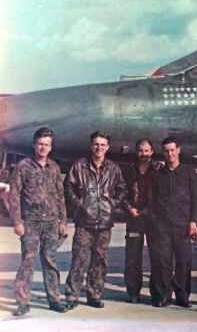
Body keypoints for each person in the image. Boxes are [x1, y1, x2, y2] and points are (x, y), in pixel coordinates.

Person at [65, 130, 127, 310]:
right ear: (91, 146)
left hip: (104, 224)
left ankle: (94, 294)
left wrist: (112, 205)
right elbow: (68, 188)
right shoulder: (80, 166)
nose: (99, 148)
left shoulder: (113, 168)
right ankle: (72, 295)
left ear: (107, 148)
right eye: (96, 144)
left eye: (102, 145)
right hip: (84, 223)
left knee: (99, 261)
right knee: (79, 260)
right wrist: (80, 206)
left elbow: (122, 189)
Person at [8, 127, 67, 316]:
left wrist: (63, 220)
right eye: (40, 144)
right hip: (31, 222)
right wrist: (17, 221)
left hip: (50, 222)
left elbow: (60, 195)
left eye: (47, 145)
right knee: (28, 261)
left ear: (51, 147)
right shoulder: (23, 166)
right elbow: (14, 194)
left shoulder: (55, 168)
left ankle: (55, 299)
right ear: (34, 145)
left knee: (50, 261)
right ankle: (23, 302)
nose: (43, 147)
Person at [148, 137, 197, 308]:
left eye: (172, 150)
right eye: (166, 151)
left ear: (179, 150)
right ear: (163, 153)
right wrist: (155, 223)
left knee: (184, 262)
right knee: (163, 262)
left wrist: (193, 221)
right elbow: (152, 201)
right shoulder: (157, 176)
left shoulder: (189, 173)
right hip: (162, 227)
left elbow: (195, 199)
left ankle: (183, 296)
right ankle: (163, 296)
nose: (170, 154)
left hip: (183, 225)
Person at [122, 139, 164, 304]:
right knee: (133, 257)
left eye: (146, 151)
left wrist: (150, 209)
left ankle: (157, 294)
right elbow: (121, 192)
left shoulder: (159, 169)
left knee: (157, 257)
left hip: (153, 219)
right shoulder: (129, 170)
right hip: (134, 219)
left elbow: (163, 194)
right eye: (140, 151)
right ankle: (133, 292)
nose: (143, 154)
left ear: (152, 152)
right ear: (136, 152)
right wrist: (129, 208)